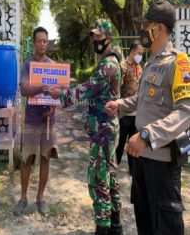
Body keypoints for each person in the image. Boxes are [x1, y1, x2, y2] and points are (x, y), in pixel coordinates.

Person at [105, 1, 189, 235]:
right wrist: (119, 105)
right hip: (141, 158)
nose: (144, 30)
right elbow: (141, 101)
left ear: (159, 28)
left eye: (148, 24)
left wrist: (145, 135)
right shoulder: (151, 63)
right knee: (145, 223)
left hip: (161, 164)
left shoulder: (178, 62)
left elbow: (185, 112)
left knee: (164, 227)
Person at [50, 19, 123, 235]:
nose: (95, 40)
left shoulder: (108, 65)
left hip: (104, 131)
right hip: (106, 130)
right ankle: (116, 225)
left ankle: (104, 228)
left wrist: (60, 95)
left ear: (108, 38)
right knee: (109, 175)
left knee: (99, 179)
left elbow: (86, 90)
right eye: (94, 36)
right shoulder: (108, 62)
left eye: (98, 37)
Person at [13, 27, 58, 217]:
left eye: (45, 41)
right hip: (31, 120)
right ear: (34, 43)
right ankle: (23, 198)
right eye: (39, 40)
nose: (42, 44)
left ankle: (40, 198)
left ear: (47, 43)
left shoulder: (53, 65)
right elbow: (24, 89)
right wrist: (42, 87)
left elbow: (59, 91)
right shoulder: (27, 65)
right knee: (27, 159)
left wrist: (53, 105)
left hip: (49, 120)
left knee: (46, 158)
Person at [116, 40, 143, 175]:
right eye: (139, 53)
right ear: (132, 52)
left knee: (133, 143)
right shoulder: (123, 66)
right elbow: (117, 88)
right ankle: (113, 169)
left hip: (136, 114)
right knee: (120, 144)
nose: (140, 56)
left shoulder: (140, 67)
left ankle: (133, 172)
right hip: (124, 113)